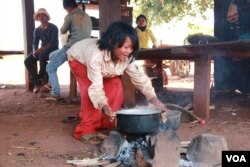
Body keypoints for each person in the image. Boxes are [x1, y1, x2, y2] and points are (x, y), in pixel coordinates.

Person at [67, 21, 168, 145]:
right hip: (79, 60)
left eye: (132, 48)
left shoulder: (127, 58)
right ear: (111, 42)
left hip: (105, 69)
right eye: (125, 47)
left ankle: (107, 121)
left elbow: (139, 79)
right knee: (90, 90)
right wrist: (104, 105)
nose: (129, 51)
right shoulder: (96, 56)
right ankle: (86, 129)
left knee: (116, 85)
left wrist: (154, 100)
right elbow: (96, 87)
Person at [45, 0, 92, 102]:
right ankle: (50, 83)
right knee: (51, 55)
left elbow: (62, 30)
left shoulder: (70, 16)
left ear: (68, 9)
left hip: (72, 48)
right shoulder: (86, 16)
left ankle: (55, 93)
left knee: (50, 67)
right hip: (85, 48)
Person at [24, 8, 59, 93]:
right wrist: (34, 50)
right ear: (37, 18)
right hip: (42, 51)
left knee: (42, 55)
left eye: (43, 15)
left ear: (47, 16)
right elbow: (35, 43)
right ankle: (37, 82)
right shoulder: (37, 30)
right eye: (39, 15)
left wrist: (41, 49)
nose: (41, 17)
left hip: (53, 49)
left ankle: (42, 77)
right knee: (27, 60)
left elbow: (53, 42)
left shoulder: (53, 27)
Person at [135, 14, 166, 92]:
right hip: (137, 50)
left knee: (158, 59)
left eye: (143, 20)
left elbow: (154, 40)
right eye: (139, 20)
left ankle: (158, 82)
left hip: (146, 50)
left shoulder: (149, 30)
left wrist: (157, 47)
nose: (141, 22)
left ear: (146, 22)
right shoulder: (134, 30)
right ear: (137, 22)